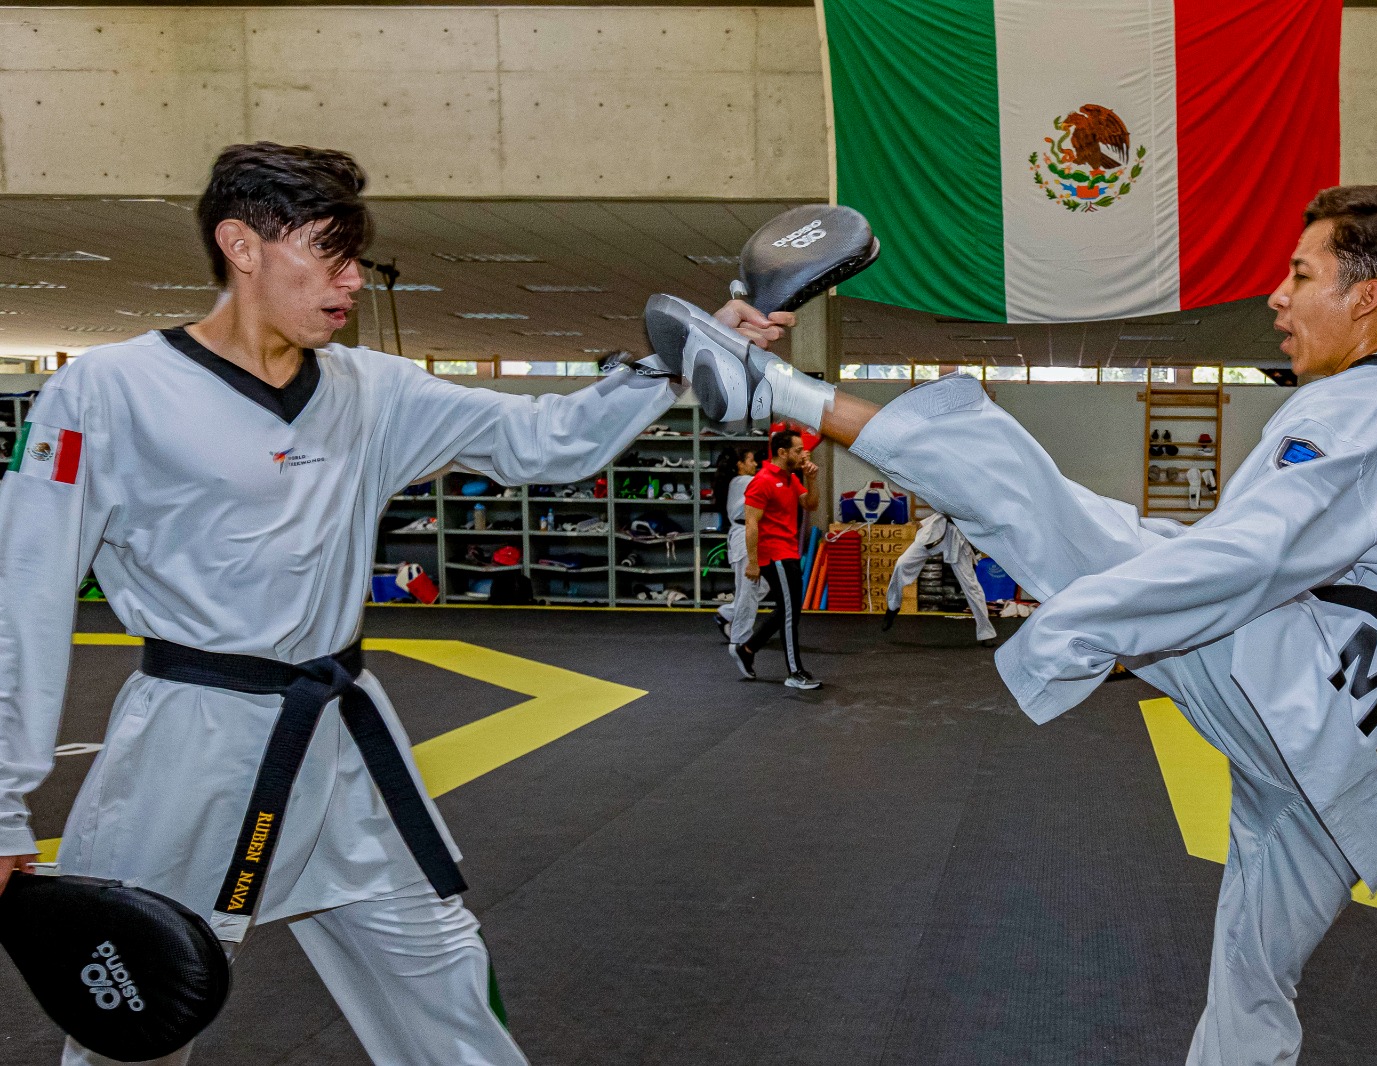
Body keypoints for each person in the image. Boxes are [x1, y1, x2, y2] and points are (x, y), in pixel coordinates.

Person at [651, 184, 1377, 1065]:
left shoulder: (1371, 404)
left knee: (1054, 512)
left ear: (1367, 296)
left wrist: (1077, 632)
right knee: (1253, 981)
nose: (1277, 297)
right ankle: (770, 388)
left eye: (1301, 274)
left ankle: (776, 390)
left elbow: (1254, 554)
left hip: (1319, 693)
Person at [0, 142, 791, 1066]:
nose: (348, 285)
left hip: (335, 740)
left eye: (355, 263)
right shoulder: (109, 391)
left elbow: (544, 443)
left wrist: (669, 364)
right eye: (327, 258)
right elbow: (23, 597)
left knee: (442, 977)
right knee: (133, 1024)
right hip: (191, 746)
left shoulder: (370, 391)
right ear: (241, 246)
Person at [729, 430, 820, 689]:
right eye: (798, 450)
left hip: (789, 551)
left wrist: (812, 478)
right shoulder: (763, 481)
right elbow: (751, 524)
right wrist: (754, 562)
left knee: (788, 610)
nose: (804, 454)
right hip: (775, 555)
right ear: (782, 453)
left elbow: (810, 505)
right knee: (791, 613)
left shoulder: (790, 478)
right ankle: (794, 672)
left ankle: (747, 650)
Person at [881, 511, 997, 643]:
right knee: (902, 563)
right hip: (936, 528)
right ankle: (893, 606)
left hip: (958, 536)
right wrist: (924, 522)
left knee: (971, 586)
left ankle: (986, 633)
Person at [712, 446, 770, 646]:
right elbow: (769, 482)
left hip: (747, 536)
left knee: (761, 586)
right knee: (749, 591)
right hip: (744, 537)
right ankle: (741, 641)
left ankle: (725, 614)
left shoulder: (740, 482)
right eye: (751, 460)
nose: (755, 464)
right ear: (740, 465)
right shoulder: (744, 481)